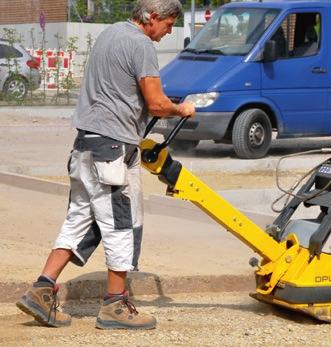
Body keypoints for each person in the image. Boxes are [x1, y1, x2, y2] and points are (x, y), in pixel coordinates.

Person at [15, 0, 195, 330]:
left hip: (84, 145)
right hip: (112, 149)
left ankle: (42, 289)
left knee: (79, 220)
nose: (169, 30)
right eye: (169, 23)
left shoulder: (109, 33)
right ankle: (114, 305)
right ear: (152, 17)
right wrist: (181, 109)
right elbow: (155, 103)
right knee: (120, 223)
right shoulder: (140, 44)